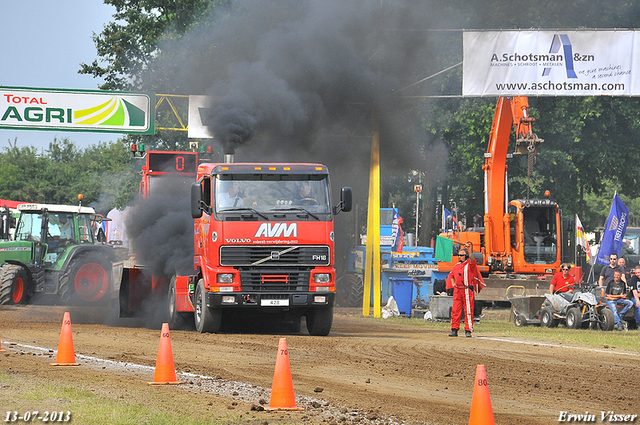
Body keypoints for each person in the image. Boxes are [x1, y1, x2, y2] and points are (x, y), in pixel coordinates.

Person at [447, 245, 485, 337]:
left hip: (467, 290)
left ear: (466, 256)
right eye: (458, 255)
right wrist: (453, 283)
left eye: (461, 255)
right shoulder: (456, 266)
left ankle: (468, 330)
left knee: (468, 310)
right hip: (457, 291)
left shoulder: (470, 265)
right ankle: (454, 329)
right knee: (455, 311)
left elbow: (473, 259)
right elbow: (451, 276)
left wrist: (469, 251)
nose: (459, 256)